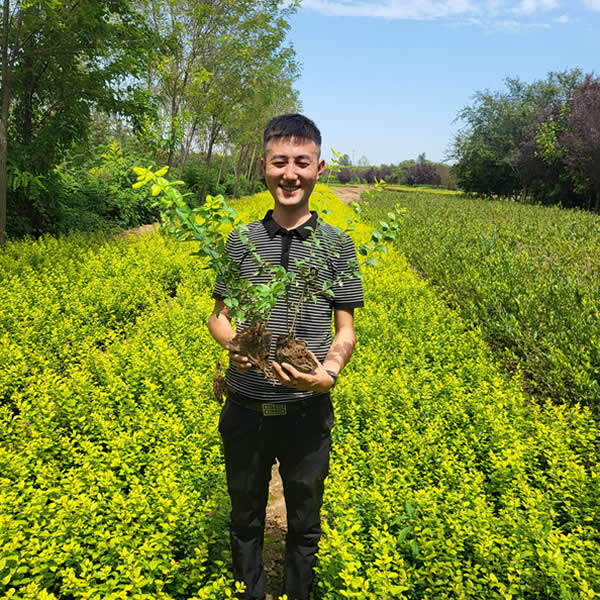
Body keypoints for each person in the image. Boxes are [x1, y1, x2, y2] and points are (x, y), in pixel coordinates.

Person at [208, 114, 364, 600]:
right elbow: (218, 315)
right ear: (264, 167)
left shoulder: (337, 245)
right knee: (245, 516)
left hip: (306, 413)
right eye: (280, 162)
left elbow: (345, 330)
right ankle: (249, 593)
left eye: (302, 162)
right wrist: (234, 343)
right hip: (245, 411)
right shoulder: (240, 241)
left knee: (304, 519)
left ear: (319, 168)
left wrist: (329, 374)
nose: (290, 173)